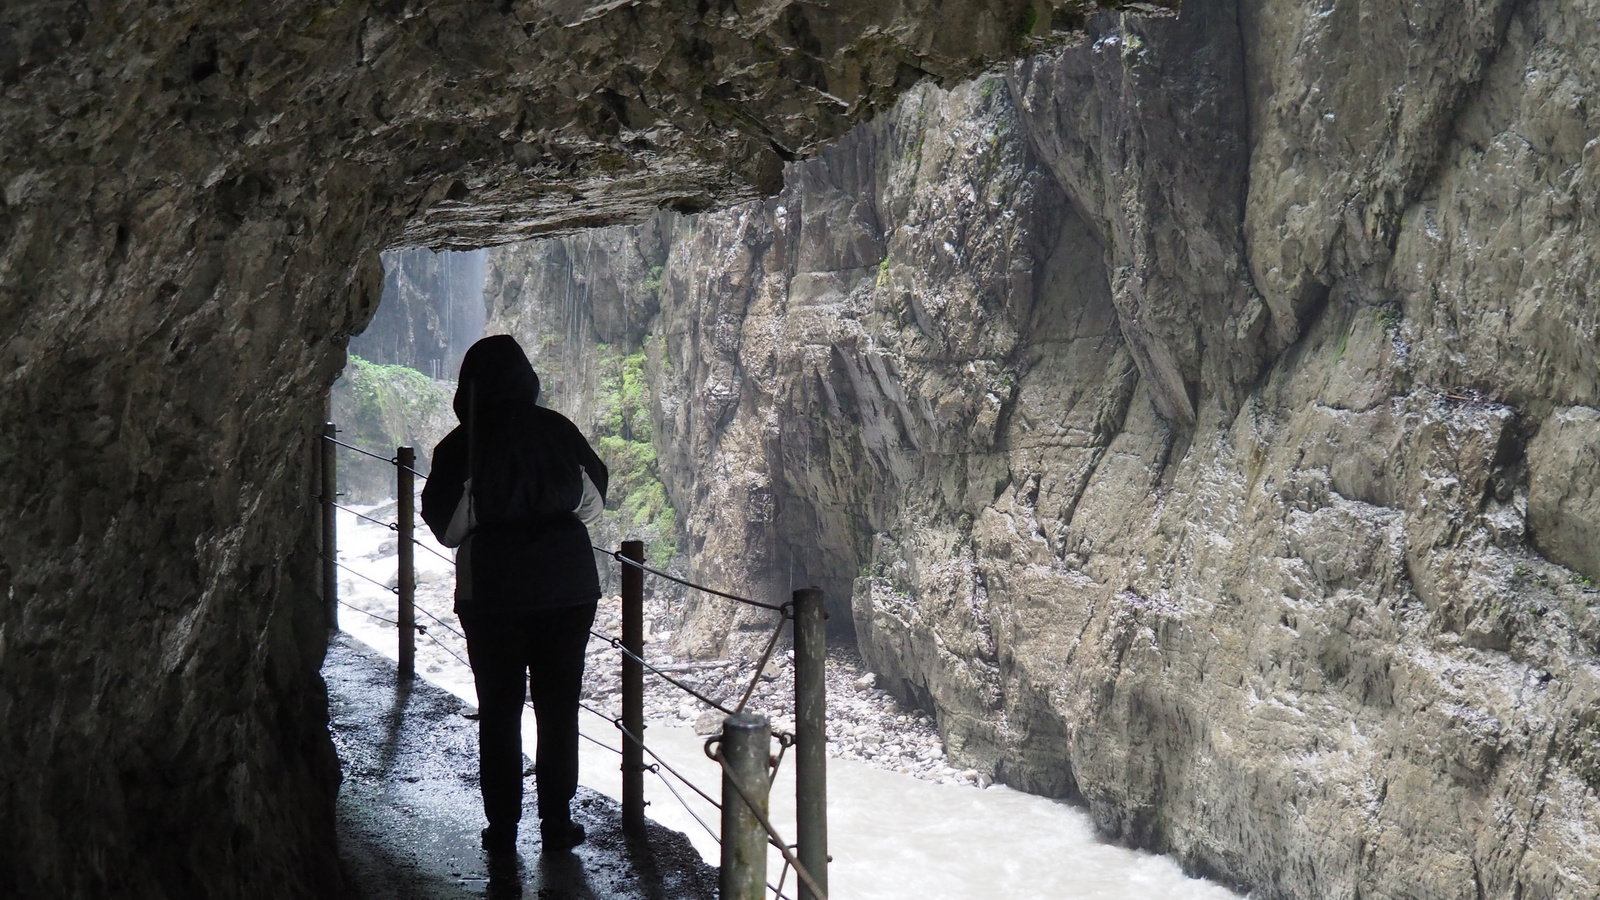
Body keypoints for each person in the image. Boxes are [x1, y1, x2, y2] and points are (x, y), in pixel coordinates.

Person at [420, 335, 608, 858]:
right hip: (567, 586)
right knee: (559, 706)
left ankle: (502, 826)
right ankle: (557, 821)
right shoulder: (558, 429)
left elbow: (449, 529)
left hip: (494, 591)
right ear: (528, 379)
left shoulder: (461, 445)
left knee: (499, 709)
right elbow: (591, 505)